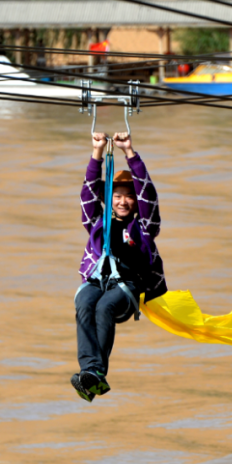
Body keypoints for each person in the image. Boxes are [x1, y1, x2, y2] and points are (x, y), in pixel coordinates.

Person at [73, 131, 166, 402]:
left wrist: (129, 152)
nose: (123, 201)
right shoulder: (98, 223)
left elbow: (148, 194)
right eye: (117, 196)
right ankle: (88, 374)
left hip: (126, 287)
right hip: (96, 281)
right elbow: (87, 194)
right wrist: (97, 152)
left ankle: (96, 372)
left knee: (104, 307)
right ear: (109, 198)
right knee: (84, 303)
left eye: (129, 197)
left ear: (135, 202)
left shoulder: (144, 227)